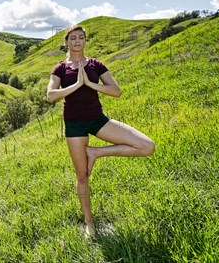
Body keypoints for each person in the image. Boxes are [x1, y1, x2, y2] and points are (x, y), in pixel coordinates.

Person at [46, 25, 155, 238]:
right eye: (73, 38)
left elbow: (116, 91)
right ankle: (89, 223)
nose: (77, 41)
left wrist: (90, 84)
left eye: (81, 37)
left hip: (98, 120)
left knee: (147, 146)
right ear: (66, 42)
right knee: (82, 175)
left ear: (85, 41)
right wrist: (77, 85)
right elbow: (51, 95)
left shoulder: (96, 64)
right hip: (74, 125)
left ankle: (96, 152)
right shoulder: (60, 68)